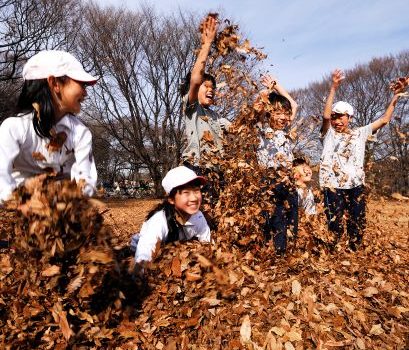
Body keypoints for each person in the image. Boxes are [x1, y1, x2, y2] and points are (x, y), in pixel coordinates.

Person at [320, 69, 408, 251]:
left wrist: (396, 96)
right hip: (332, 184)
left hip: (355, 184)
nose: (337, 121)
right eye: (335, 117)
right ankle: (333, 251)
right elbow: (326, 116)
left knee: (357, 222)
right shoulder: (328, 134)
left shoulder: (360, 133)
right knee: (334, 223)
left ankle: (354, 251)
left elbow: (384, 120)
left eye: (341, 117)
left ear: (349, 118)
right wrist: (333, 87)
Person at [0, 50, 98, 203]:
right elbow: (2, 179)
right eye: (82, 84)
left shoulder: (80, 133)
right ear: (55, 83)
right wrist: (20, 204)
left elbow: (86, 181)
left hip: (63, 213)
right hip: (17, 211)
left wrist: (70, 197)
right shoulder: (14, 128)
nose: (85, 93)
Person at [180, 14, 231, 171]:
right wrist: (207, 44)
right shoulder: (192, 108)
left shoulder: (216, 117)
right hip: (196, 168)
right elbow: (195, 79)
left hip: (217, 172)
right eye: (206, 86)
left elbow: (237, 129)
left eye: (213, 88)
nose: (211, 90)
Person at [132, 166, 211, 263]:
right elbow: (142, 260)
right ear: (171, 199)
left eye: (196, 190)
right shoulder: (158, 222)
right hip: (145, 249)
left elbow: (208, 244)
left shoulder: (198, 216)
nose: (194, 198)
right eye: (186, 193)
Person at [256, 75, 298, 255]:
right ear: (269, 113)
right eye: (278, 112)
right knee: (272, 217)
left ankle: (288, 251)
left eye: (285, 114)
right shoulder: (261, 130)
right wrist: (266, 92)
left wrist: (276, 85)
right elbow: (257, 109)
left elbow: (293, 105)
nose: (283, 117)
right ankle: (272, 252)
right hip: (268, 179)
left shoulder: (287, 130)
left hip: (288, 180)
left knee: (291, 217)